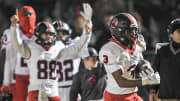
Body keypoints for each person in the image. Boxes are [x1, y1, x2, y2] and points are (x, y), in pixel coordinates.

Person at [10, 9, 92, 101]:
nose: (49, 37)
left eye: (51, 35)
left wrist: (86, 35)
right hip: (36, 89)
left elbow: (75, 48)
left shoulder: (57, 47)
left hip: (53, 90)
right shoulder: (31, 47)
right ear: (38, 34)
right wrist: (14, 26)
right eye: (46, 34)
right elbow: (16, 44)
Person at [99, 13, 160, 101]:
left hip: (133, 94)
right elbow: (120, 81)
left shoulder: (138, 43)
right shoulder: (110, 50)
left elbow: (138, 60)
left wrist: (145, 66)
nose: (133, 34)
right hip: (116, 97)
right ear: (118, 31)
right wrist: (145, 80)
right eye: (129, 31)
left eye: (134, 30)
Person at [153, 18, 180, 101]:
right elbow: (156, 71)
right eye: (179, 31)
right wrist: (153, 89)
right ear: (171, 33)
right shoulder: (162, 51)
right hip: (166, 97)